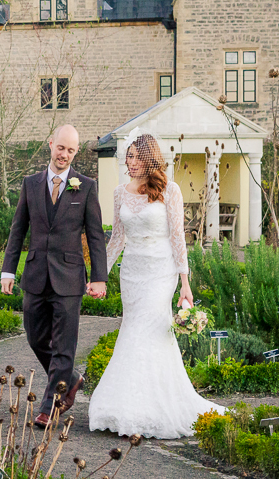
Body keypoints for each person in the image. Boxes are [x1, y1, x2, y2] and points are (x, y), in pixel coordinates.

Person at [88, 128, 225, 439]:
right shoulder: (120, 192)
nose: (128, 162)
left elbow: (178, 238)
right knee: (132, 329)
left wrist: (185, 283)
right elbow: (117, 239)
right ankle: (127, 404)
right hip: (132, 272)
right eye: (127, 157)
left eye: (134, 157)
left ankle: (149, 408)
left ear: (148, 157)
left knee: (147, 331)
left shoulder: (170, 190)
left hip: (160, 272)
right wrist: (99, 275)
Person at [1, 124, 109, 428]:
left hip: (70, 278)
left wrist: (98, 276)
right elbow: (18, 229)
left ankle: (50, 405)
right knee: (35, 337)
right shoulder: (30, 184)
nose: (64, 155)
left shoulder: (85, 186)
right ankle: (71, 378)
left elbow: (96, 234)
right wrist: (8, 269)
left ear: (75, 152)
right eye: (60, 148)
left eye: (71, 150)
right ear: (51, 144)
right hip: (35, 274)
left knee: (64, 346)